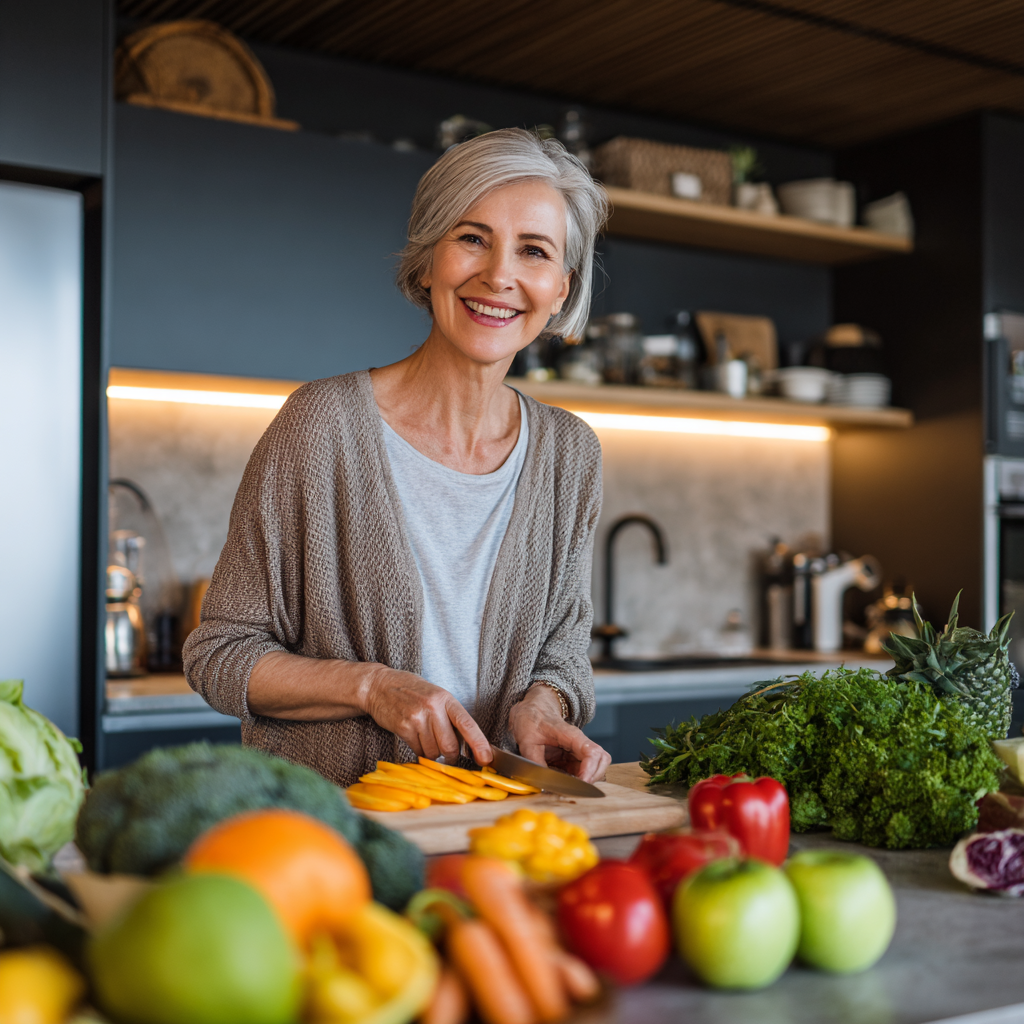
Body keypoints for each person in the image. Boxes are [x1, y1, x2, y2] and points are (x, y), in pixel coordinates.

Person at [183, 128, 612, 786]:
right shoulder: (320, 426)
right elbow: (220, 654)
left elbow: (562, 654)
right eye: (472, 238)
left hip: (499, 828)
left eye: (534, 251)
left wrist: (542, 707)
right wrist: (371, 688)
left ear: (560, 288)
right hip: (337, 838)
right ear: (425, 262)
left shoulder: (569, 454)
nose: (499, 275)